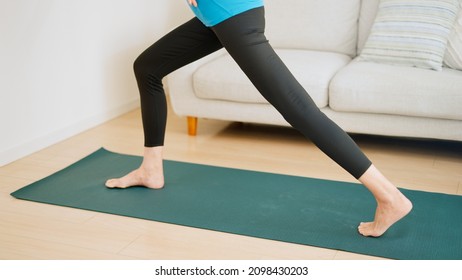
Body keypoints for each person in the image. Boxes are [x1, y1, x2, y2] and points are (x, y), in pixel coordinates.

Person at [106, 0, 412, 237]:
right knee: (147, 67)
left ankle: (389, 196)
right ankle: (151, 169)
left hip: (233, 14)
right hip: (214, 17)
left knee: (299, 109)